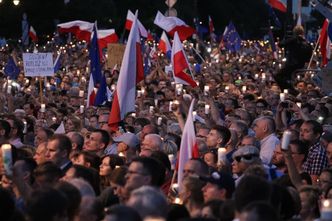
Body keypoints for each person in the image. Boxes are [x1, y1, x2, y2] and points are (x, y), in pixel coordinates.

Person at [275, 25, 312, 94]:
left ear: (294, 32)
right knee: (286, 78)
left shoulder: (293, 40)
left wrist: (286, 38)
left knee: (277, 76)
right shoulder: (308, 44)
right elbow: (308, 58)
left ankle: (291, 90)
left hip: (292, 65)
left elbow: (280, 44)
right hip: (301, 65)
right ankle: (289, 89)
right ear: (303, 33)